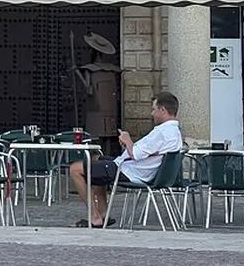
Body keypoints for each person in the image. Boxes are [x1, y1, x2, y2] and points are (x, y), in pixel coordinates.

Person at [68, 91, 183, 228]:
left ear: (162, 110)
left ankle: (95, 217)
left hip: (129, 172)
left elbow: (136, 154)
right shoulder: (174, 133)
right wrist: (128, 147)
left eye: (154, 109)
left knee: (75, 169)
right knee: (97, 161)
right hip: (136, 170)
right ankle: (103, 213)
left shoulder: (162, 133)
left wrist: (127, 140)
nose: (152, 114)